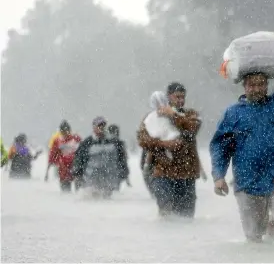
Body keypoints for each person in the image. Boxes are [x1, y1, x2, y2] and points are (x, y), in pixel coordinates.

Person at [209, 62, 274, 242]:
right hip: (247, 179)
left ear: (266, 85)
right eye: (252, 85)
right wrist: (219, 176)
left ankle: (272, 225)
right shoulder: (233, 113)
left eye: (260, 84)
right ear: (244, 86)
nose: (256, 89)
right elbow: (220, 147)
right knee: (254, 238)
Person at [137, 82, 202, 218]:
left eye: (183, 97)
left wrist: (173, 115)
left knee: (186, 217)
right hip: (162, 173)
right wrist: (165, 144)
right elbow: (142, 140)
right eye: (177, 97)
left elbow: (191, 130)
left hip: (187, 173)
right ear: (168, 97)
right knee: (166, 213)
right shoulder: (152, 117)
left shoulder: (190, 114)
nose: (180, 100)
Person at [72, 117, 129, 198]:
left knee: (107, 204)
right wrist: (77, 174)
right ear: (94, 127)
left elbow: (121, 158)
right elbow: (79, 159)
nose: (101, 128)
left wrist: (124, 172)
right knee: (93, 200)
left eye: (103, 125)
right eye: (99, 125)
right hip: (91, 179)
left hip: (109, 179)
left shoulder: (114, 142)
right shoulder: (87, 142)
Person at [45, 121, 81, 192]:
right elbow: (52, 155)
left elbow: (83, 152)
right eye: (63, 131)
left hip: (76, 167)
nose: (65, 133)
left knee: (79, 191)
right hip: (63, 169)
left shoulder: (76, 139)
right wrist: (47, 171)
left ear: (69, 130)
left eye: (66, 130)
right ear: (60, 131)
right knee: (66, 192)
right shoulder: (57, 140)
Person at [107, 124, 131, 190]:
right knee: (115, 189)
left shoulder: (106, 142)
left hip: (109, 169)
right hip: (117, 168)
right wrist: (126, 175)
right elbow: (124, 159)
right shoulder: (120, 143)